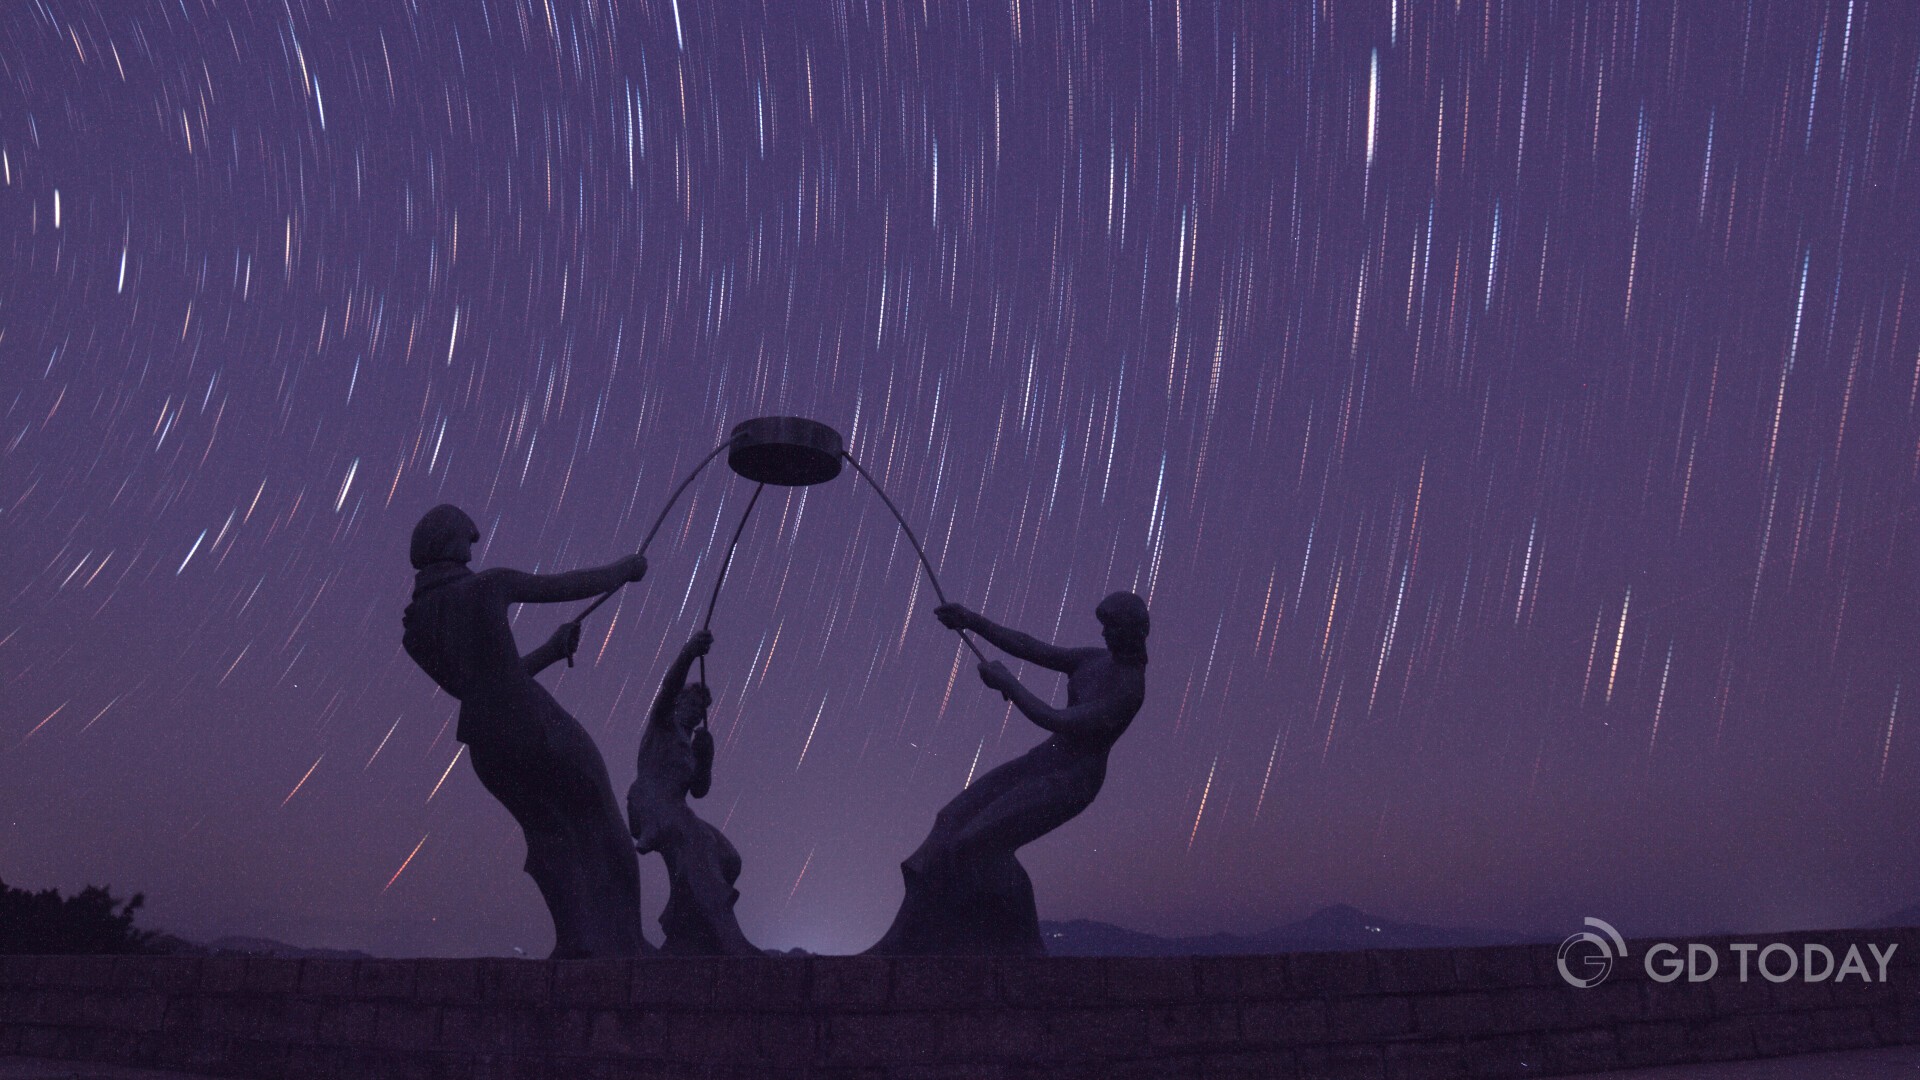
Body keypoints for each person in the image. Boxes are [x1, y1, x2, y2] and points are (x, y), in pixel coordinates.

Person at [400, 503, 650, 958]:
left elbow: (482, 688)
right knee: (602, 818)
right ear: (449, 541)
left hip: (486, 744)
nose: (474, 545)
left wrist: (552, 652)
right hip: (535, 724)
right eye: (468, 537)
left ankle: (577, 943)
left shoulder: (414, 629)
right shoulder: (486, 586)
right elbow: (565, 586)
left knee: (547, 833)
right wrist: (624, 569)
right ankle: (629, 942)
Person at [869, 591, 1150, 955]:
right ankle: (903, 938)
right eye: (1104, 627)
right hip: (1044, 759)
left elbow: (1060, 720)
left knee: (980, 843)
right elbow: (1033, 648)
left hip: (1072, 781)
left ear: (1134, 632)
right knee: (950, 820)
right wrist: (972, 620)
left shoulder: (1129, 690)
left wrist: (1009, 685)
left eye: (1111, 628)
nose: (1103, 635)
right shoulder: (1094, 660)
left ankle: (1025, 949)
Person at [627, 630, 758, 955]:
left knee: (728, 859)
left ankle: (686, 930)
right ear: (679, 703)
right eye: (690, 705)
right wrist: (688, 653)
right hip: (652, 801)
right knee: (697, 844)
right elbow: (668, 687)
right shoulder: (662, 724)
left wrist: (706, 758)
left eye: (700, 712)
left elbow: (699, 791)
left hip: (678, 808)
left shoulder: (689, 743)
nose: (694, 713)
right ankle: (729, 937)